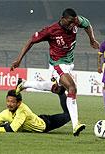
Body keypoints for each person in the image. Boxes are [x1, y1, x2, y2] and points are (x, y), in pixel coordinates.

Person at [10, 8, 99, 136]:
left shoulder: (76, 21)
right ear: (62, 19)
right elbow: (31, 41)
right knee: (72, 88)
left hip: (69, 64)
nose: (72, 25)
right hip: (57, 64)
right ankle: (76, 125)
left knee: (59, 90)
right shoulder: (51, 30)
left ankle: (24, 84)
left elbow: (87, 24)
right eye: (69, 22)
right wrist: (18, 60)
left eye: (74, 22)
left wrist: (92, 39)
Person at [0, 88, 71, 134]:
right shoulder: (6, 112)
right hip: (36, 118)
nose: (9, 104)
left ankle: (61, 92)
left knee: (68, 115)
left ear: (19, 102)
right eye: (8, 101)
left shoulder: (22, 110)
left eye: (12, 102)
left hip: (46, 124)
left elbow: (12, 129)